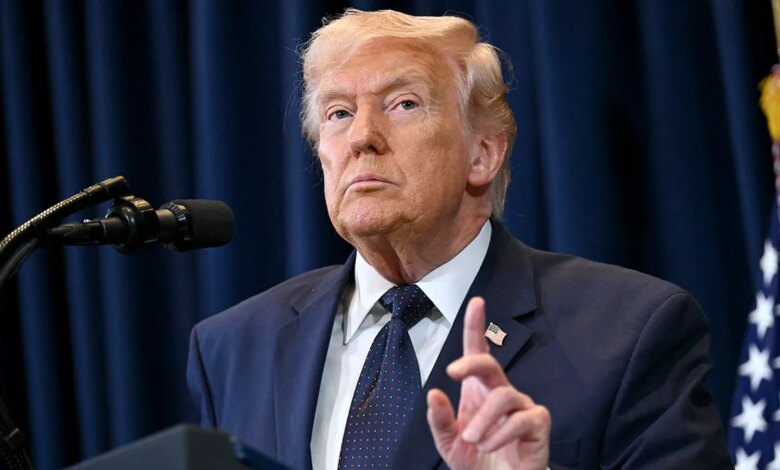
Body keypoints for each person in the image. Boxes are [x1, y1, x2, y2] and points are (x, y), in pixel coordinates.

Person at [187, 9, 732, 469]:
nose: (361, 136)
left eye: (404, 103)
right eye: (338, 113)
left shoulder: (629, 331)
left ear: (482, 154)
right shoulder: (234, 349)